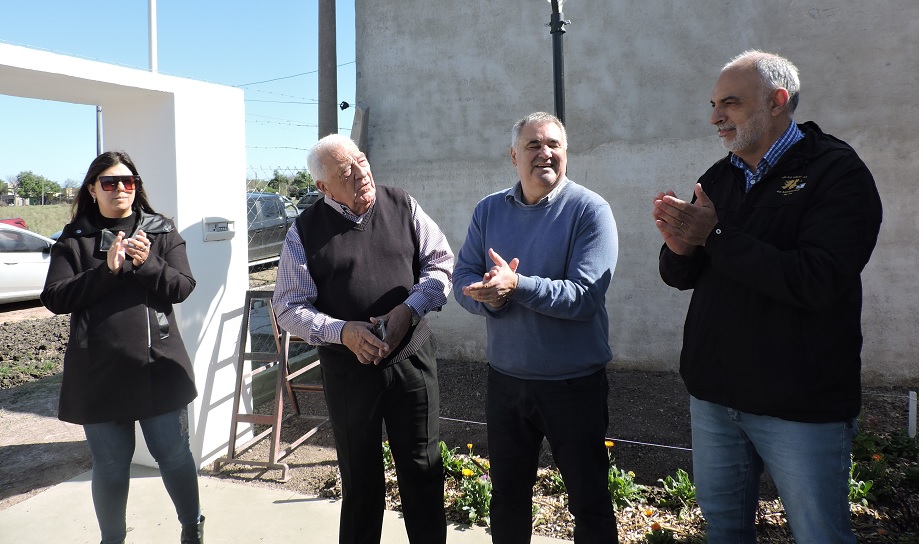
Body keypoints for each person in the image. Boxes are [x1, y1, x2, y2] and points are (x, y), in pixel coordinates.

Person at [653, 50, 882, 543]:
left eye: (730, 103)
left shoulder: (836, 173)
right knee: (723, 530)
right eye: (714, 104)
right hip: (716, 399)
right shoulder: (720, 177)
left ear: (777, 101)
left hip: (798, 404)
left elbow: (817, 279)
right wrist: (679, 249)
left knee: (819, 534)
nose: (715, 117)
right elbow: (684, 276)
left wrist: (714, 237)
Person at [272, 134, 454, 544]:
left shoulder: (401, 204)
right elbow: (288, 306)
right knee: (359, 480)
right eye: (346, 171)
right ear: (323, 186)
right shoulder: (305, 231)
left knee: (423, 470)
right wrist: (342, 331)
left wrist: (410, 309)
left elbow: (441, 264)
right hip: (348, 372)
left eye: (361, 160)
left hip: (412, 362)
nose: (361, 173)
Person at [453, 112, 620, 544]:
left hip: (573, 386)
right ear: (514, 155)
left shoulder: (590, 210)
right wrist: (488, 297)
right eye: (533, 145)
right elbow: (462, 277)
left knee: (589, 501)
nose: (544, 153)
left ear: (566, 153)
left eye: (554, 145)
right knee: (507, 497)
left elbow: (584, 297)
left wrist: (517, 285)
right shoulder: (488, 209)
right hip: (506, 382)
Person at [40, 151, 205, 544]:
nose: (120, 189)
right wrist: (107, 271)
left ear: (136, 187)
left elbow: (182, 287)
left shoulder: (160, 230)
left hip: (157, 367)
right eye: (109, 182)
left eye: (127, 181)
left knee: (174, 455)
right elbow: (55, 297)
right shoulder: (74, 239)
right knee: (111, 466)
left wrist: (147, 264)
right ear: (92, 189)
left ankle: (192, 527)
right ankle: (112, 539)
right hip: (99, 373)